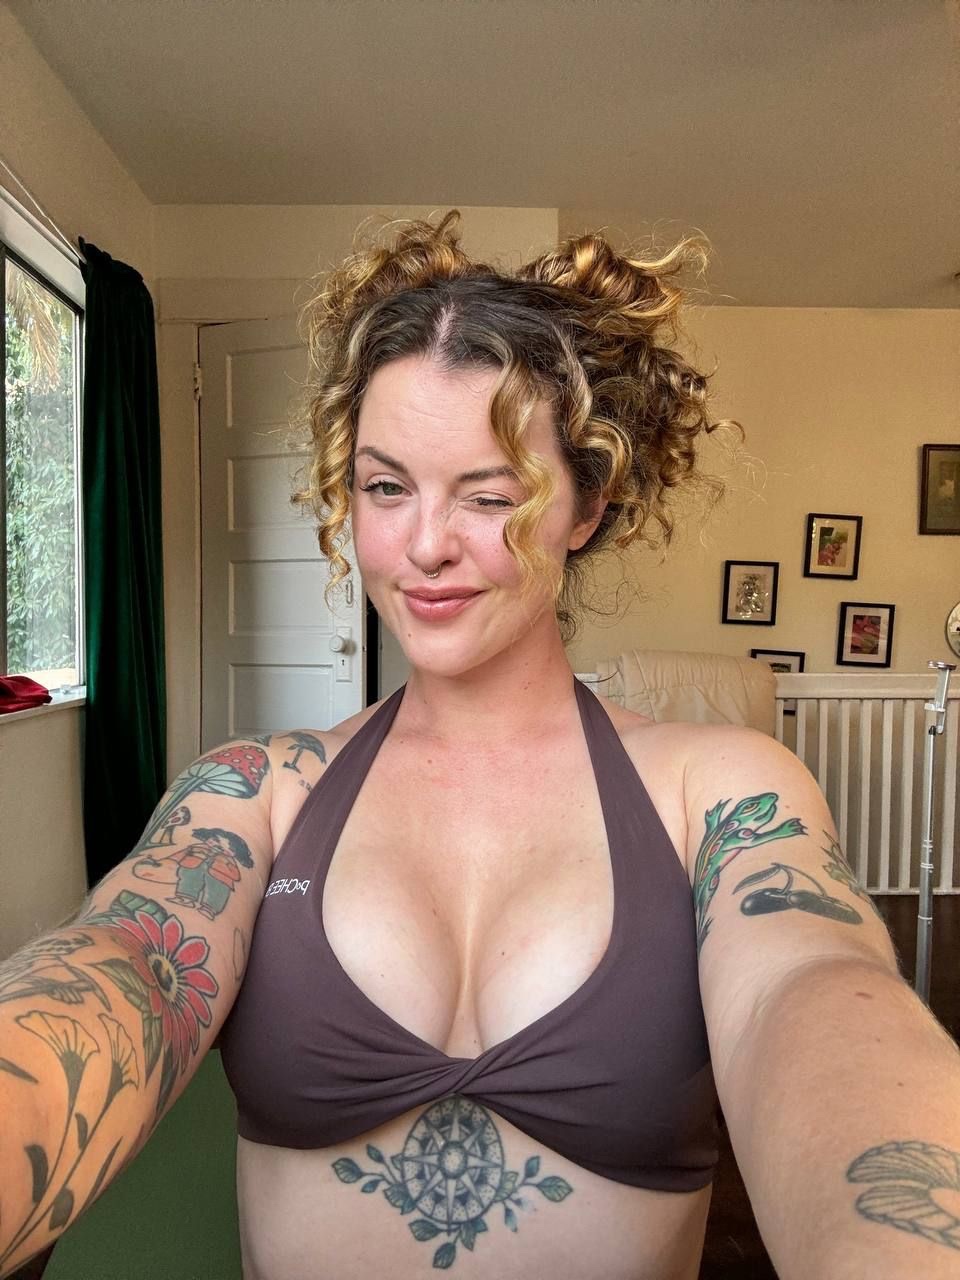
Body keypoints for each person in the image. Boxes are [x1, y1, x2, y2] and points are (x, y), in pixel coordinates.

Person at [2, 211, 959, 1280]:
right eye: (385, 486)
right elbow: (128, 961)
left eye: (491, 495)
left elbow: (815, 993)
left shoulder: (720, 790)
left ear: (586, 507)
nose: (424, 546)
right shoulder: (254, 791)